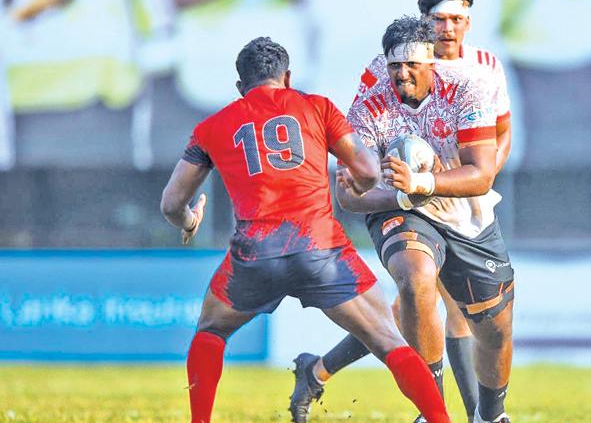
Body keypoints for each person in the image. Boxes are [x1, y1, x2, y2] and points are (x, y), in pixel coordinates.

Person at [160, 36, 450, 423]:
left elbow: (170, 204)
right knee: (387, 339)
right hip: (321, 249)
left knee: (210, 331)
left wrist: (190, 220)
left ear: (239, 87)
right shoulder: (316, 107)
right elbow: (365, 171)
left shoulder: (212, 127)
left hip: (255, 255)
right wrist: (360, 187)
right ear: (288, 77)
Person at [289, 14, 514, 423]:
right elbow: (349, 194)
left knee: (491, 325)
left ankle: (489, 414)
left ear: (434, 59)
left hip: (463, 208)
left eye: (412, 65)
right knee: (415, 279)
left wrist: (423, 181)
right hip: (400, 207)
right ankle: (433, 411)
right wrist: (398, 191)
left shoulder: (473, 81)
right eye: (395, 65)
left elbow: (483, 171)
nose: (402, 74)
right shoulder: (370, 102)